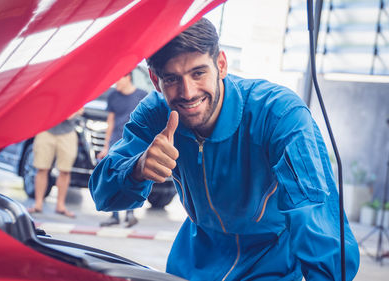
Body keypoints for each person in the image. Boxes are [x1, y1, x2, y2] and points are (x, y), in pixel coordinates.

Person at [89, 18, 360, 280]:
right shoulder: (155, 113)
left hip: (270, 266)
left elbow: (315, 216)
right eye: (171, 79)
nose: (188, 92)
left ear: (221, 63)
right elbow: (103, 194)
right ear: (154, 78)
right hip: (191, 265)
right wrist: (136, 168)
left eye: (198, 73)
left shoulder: (280, 115)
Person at [97, 72, 147, 227]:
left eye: (118, 78)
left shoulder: (142, 95)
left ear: (128, 78)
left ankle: (130, 214)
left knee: (132, 178)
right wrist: (106, 147)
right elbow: (110, 122)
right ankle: (114, 216)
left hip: (134, 143)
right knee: (114, 178)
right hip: (115, 143)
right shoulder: (113, 96)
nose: (116, 82)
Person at [28, 109, 82, 218]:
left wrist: (73, 112)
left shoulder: (74, 91)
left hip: (68, 132)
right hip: (46, 130)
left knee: (65, 170)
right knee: (42, 168)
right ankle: (38, 204)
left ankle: (60, 205)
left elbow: (81, 108)